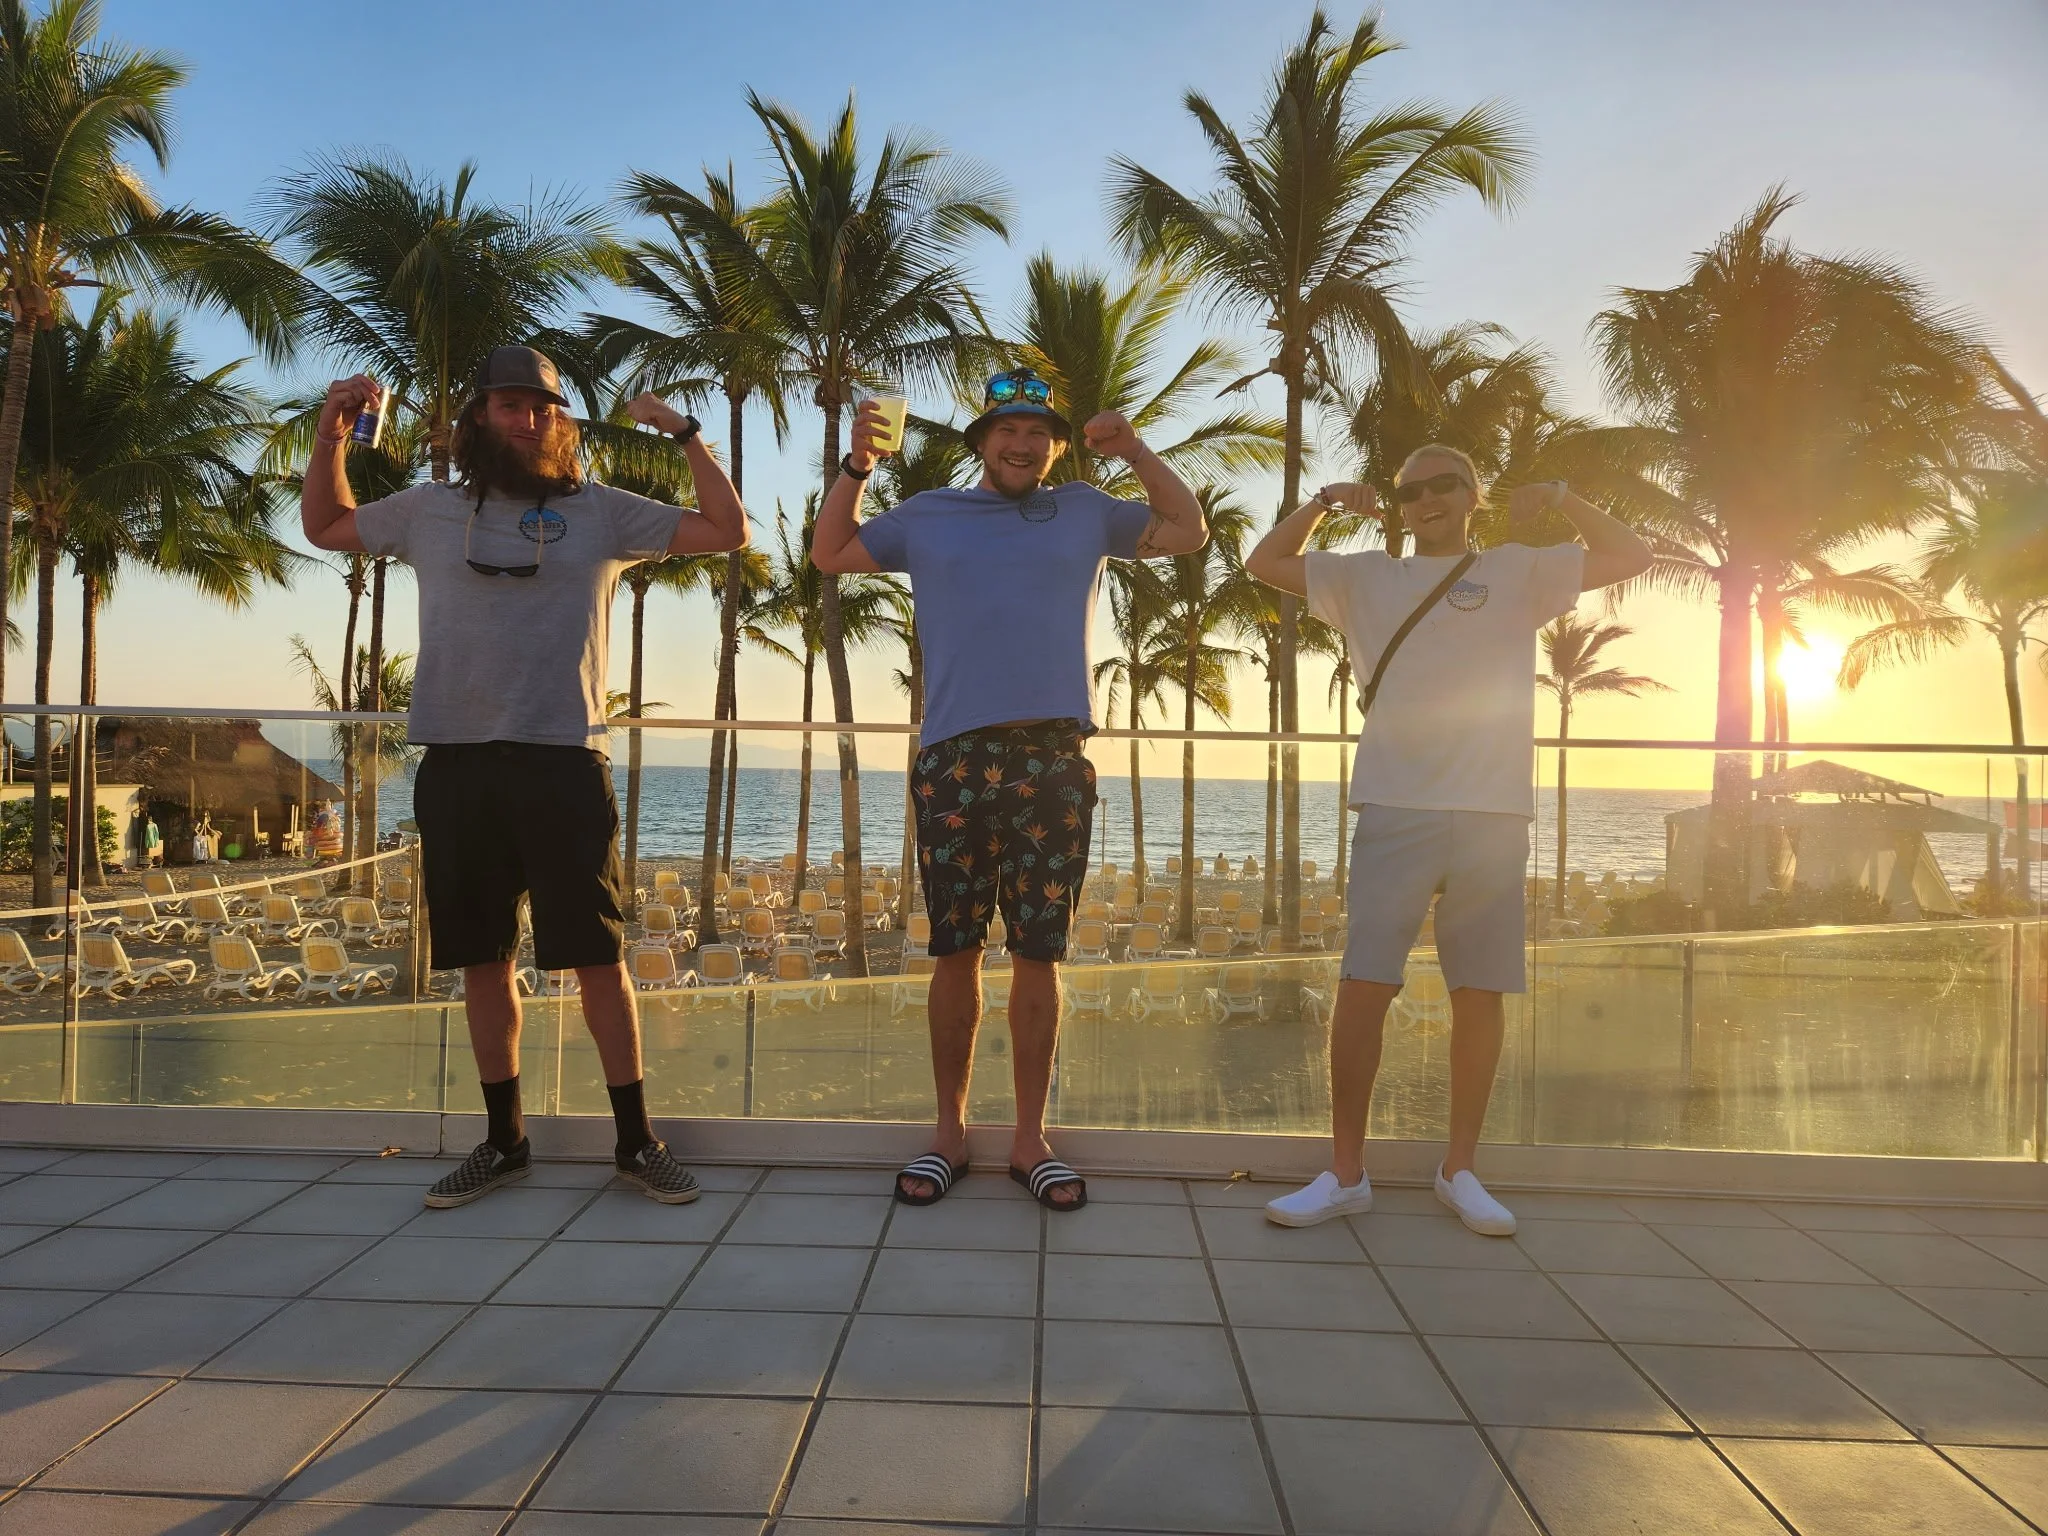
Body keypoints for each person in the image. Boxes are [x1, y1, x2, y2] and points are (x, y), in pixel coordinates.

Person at [301, 345, 750, 1209]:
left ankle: (637, 1142)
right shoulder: (429, 509)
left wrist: (685, 432)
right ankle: (504, 1143)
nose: (529, 419)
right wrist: (331, 440)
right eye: (510, 405)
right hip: (458, 762)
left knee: (599, 960)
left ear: (561, 421)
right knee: (483, 961)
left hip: (564, 760)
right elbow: (326, 527)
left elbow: (727, 530)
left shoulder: (603, 511)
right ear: (479, 416)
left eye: (543, 407)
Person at [811, 369, 1207, 1210]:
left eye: (1038, 433)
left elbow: (1187, 530)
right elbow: (830, 553)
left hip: (1054, 757)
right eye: (1006, 430)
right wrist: (856, 468)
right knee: (954, 952)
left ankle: (1031, 1141)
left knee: (1038, 954)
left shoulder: (1086, 509)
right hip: (953, 759)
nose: (1022, 444)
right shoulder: (930, 514)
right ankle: (949, 1135)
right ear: (982, 442)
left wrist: (1135, 449)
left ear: (1055, 447)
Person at [1246, 445, 1651, 1234]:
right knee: (1364, 984)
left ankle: (1460, 1170)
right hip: (1395, 804)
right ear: (1398, 504)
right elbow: (1264, 561)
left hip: (1493, 811)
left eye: (1443, 484)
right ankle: (1345, 1174)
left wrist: (1562, 495)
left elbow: (1632, 555)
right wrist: (1325, 501)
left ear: (1473, 495)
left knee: (1480, 990)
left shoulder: (1516, 569)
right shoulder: (1367, 578)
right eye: (1410, 489)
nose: (1425, 497)